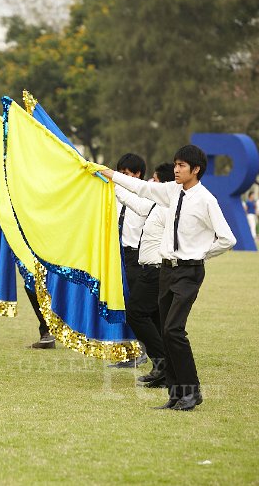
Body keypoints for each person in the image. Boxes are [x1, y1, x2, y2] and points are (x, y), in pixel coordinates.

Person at [100, 145, 236, 411]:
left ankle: (191, 391)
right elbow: (141, 189)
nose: (176, 169)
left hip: (188, 271)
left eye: (182, 166)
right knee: (165, 329)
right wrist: (109, 174)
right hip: (166, 270)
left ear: (195, 170)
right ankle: (175, 394)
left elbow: (227, 239)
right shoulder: (172, 192)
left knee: (174, 330)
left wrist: (198, 254)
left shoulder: (206, 200)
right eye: (175, 164)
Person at [113, 162, 175, 388]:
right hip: (153, 270)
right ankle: (165, 369)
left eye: (156, 181)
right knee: (158, 319)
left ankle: (162, 362)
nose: (152, 184)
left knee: (136, 314)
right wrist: (111, 181)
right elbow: (134, 202)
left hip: (156, 270)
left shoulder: (168, 208)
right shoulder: (157, 206)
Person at [108, 153, 149, 369]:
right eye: (120, 173)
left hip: (136, 256)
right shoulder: (113, 195)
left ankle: (141, 351)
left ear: (137, 174)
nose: (122, 177)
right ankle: (125, 352)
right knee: (119, 303)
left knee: (136, 306)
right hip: (117, 253)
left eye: (126, 174)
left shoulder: (147, 197)